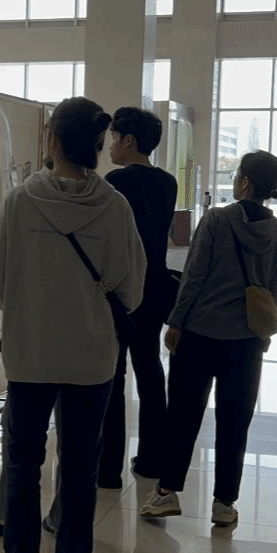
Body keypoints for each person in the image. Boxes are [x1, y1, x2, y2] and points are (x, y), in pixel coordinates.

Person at [0, 97, 146, 553]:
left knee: (22, 461)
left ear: (52, 139)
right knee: (79, 463)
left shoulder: (20, 201)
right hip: (92, 358)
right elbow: (132, 288)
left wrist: (33, 312)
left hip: (30, 352)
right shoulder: (115, 207)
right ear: (97, 143)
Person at [139, 150, 277, 527]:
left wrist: (175, 322)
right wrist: (263, 334)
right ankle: (225, 503)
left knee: (183, 415)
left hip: (200, 334)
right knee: (235, 420)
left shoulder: (217, 220)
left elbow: (194, 276)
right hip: (247, 341)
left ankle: (166, 493)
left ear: (245, 182)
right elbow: (274, 292)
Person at [99, 106, 178, 488]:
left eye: (115, 138)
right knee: (149, 369)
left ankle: (108, 468)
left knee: (113, 376)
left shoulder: (116, 181)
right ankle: (152, 458)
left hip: (121, 290)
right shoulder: (168, 182)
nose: (111, 146)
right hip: (155, 287)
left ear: (129, 140)